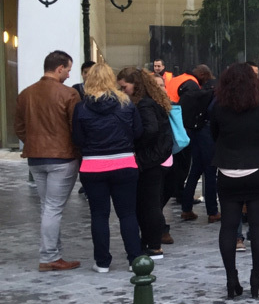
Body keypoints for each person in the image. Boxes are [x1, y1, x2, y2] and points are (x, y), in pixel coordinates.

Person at [210, 63, 259, 298]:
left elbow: (214, 135)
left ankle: (231, 279)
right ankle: (256, 279)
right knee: (258, 226)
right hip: (258, 168)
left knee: (228, 225)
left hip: (228, 170)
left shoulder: (219, 107)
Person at [72, 63, 143, 272]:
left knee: (99, 215)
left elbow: (77, 138)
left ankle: (102, 262)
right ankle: (134, 259)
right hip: (124, 163)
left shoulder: (81, 107)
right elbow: (138, 132)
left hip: (93, 166)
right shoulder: (126, 103)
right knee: (128, 214)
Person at [15, 50, 82, 272]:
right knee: (53, 208)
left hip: (35, 157)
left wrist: (32, 141)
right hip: (62, 157)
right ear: (59, 68)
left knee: (48, 207)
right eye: (68, 70)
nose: (69, 75)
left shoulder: (26, 94)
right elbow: (76, 127)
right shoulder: (69, 94)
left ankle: (52, 253)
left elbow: (19, 128)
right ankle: (50, 256)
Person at [116, 67, 173, 259]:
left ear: (135, 84)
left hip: (148, 159)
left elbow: (150, 130)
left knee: (148, 203)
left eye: (125, 87)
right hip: (154, 157)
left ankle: (154, 244)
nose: (123, 91)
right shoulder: (151, 101)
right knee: (150, 203)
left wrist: (135, 142)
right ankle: (151, 242)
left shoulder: (144, 104)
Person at [178, 65, 219, 223]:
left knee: (195, 169)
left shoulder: (195, 89)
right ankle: (212, 211)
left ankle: (186, 208)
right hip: (207, 132)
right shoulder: (214, 88)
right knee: (210, 171)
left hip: (195, 130)